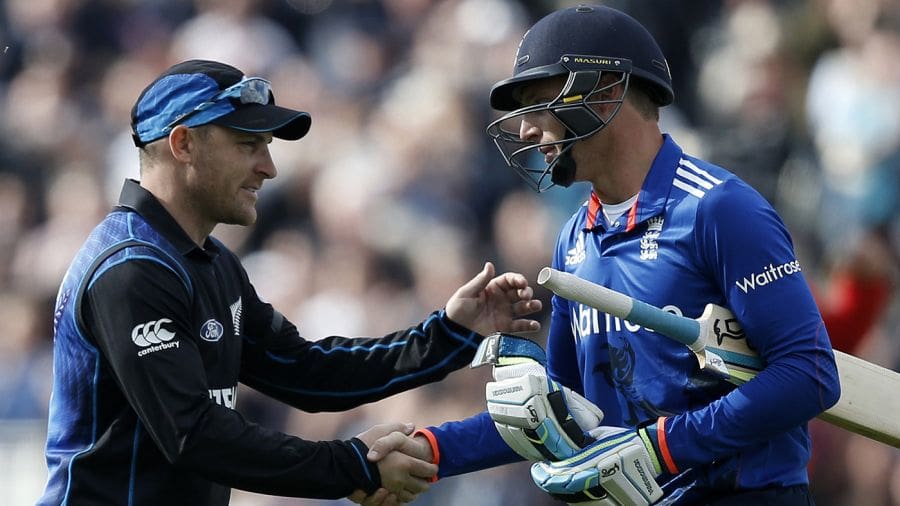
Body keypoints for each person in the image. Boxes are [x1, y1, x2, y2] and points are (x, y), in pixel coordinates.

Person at [364, 5, 841, 505]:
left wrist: (661, 447)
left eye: (539, 103)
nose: (526, 130)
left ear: (608, 91)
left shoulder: (719, 210)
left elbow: (809, 374)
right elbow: (561, 411)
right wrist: (431, 451)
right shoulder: (574, 238)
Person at [37, 59, 543, 506]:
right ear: (183, 143)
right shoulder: (132, 269)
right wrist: (354, 466)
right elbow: (195, 435)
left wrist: (449, 335)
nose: (269, 167)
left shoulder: (208, 261)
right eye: (247, 144)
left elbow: (305, 371)